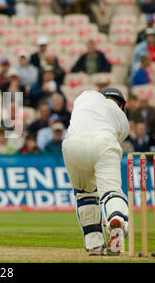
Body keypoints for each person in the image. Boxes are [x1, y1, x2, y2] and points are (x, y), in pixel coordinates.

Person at [62, 87, 130, 255]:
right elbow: (112, 141)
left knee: (84, 195)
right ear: (121, 105)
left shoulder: (86, 96)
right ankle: (116, 220)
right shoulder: (122, 119)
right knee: (110, 191)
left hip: (72, 145)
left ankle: (94, 243)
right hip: (103, 141)